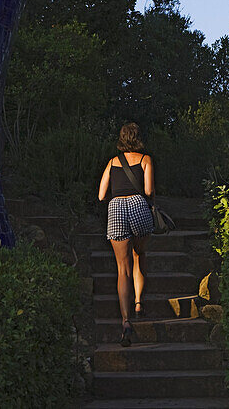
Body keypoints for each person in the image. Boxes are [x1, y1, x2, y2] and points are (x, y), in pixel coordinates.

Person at [98, 121, 155, 346]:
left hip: (116, 208)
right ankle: (139, 302)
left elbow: (102, 195)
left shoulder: (112, 162)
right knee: (139, 255)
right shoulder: (145, 160)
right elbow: (149, 190)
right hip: (139, 206)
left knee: (123, 270)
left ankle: (125, 321)